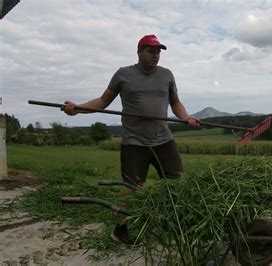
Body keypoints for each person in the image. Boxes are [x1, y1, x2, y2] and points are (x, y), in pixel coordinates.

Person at [62, 34, 200, 245]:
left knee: (175, 183)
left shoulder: (167, 75)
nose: (156, 56)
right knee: (132, 187)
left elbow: (176, 103)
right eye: (151, 51)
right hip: (134, 142)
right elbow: (102, 101)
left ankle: (173, 223)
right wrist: (77, 110)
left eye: (158, 52)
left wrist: (186, 118)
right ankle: (121, 230)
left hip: (163, 139)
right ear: (139, 52)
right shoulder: (123, 74)